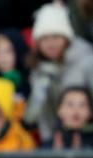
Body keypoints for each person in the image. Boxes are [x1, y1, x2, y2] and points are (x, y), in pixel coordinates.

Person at [25, 2, 93, 143]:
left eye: (56, 37)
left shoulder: (87, 61)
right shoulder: (38, 68)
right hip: (55, 140)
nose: (50, 44)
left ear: (66, 39)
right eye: (44, 38)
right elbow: (35, 116)